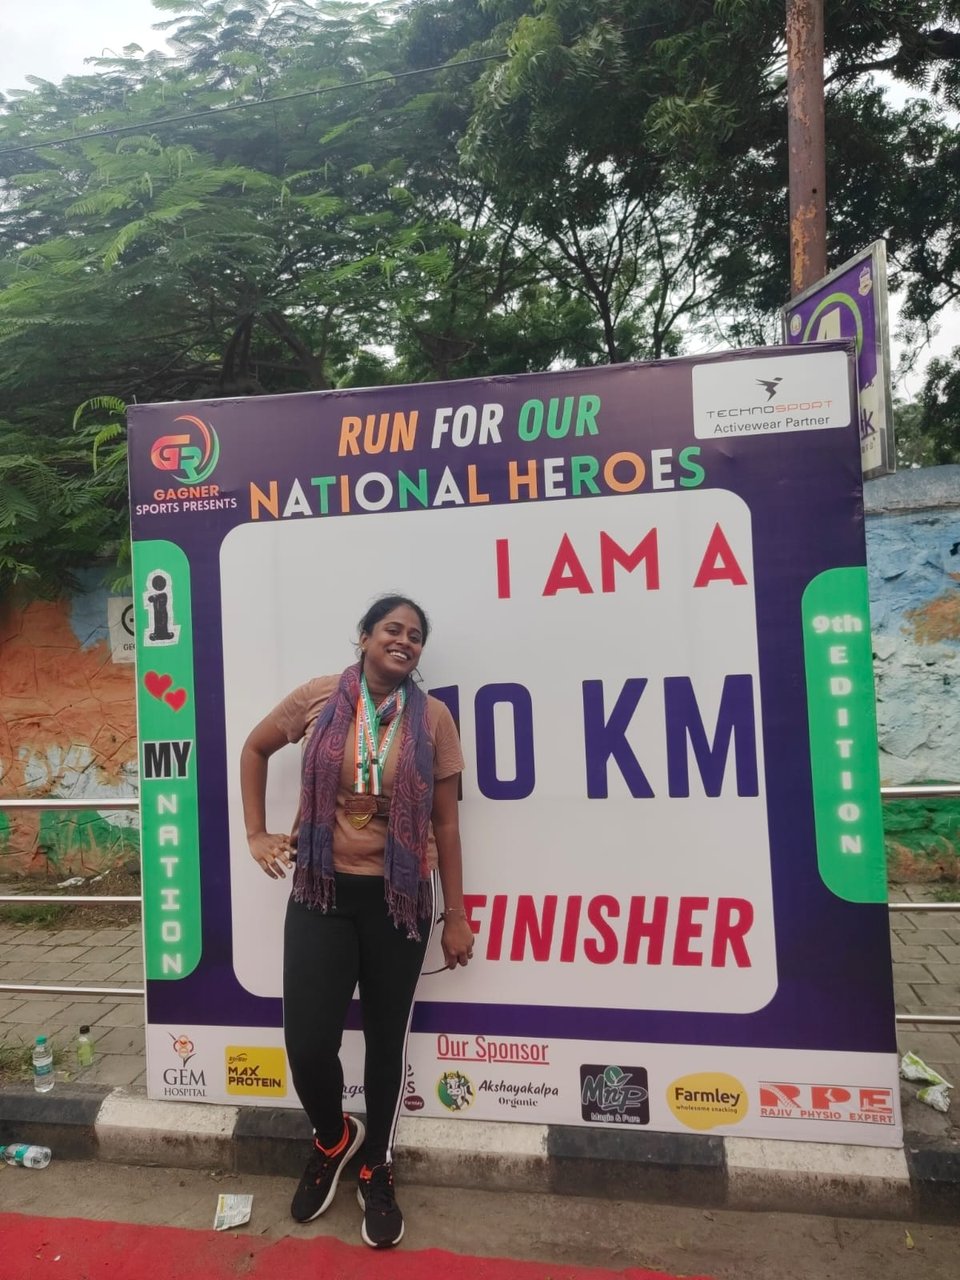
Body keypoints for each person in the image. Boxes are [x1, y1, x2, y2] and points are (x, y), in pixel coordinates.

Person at [240, 594, 473, 1250]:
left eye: (416, 636)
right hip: (321, 891)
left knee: (384, 1042)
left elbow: (447, 823)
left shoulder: (433, 718)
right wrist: (256, 832)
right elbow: (255, 748)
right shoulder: (319, 696)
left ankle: (377, 1166)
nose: (405, 641)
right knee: (308, 1043)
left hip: (400, 901)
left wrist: (456, 916)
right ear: (366, 636)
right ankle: (333, 1138)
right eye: (393, 629)